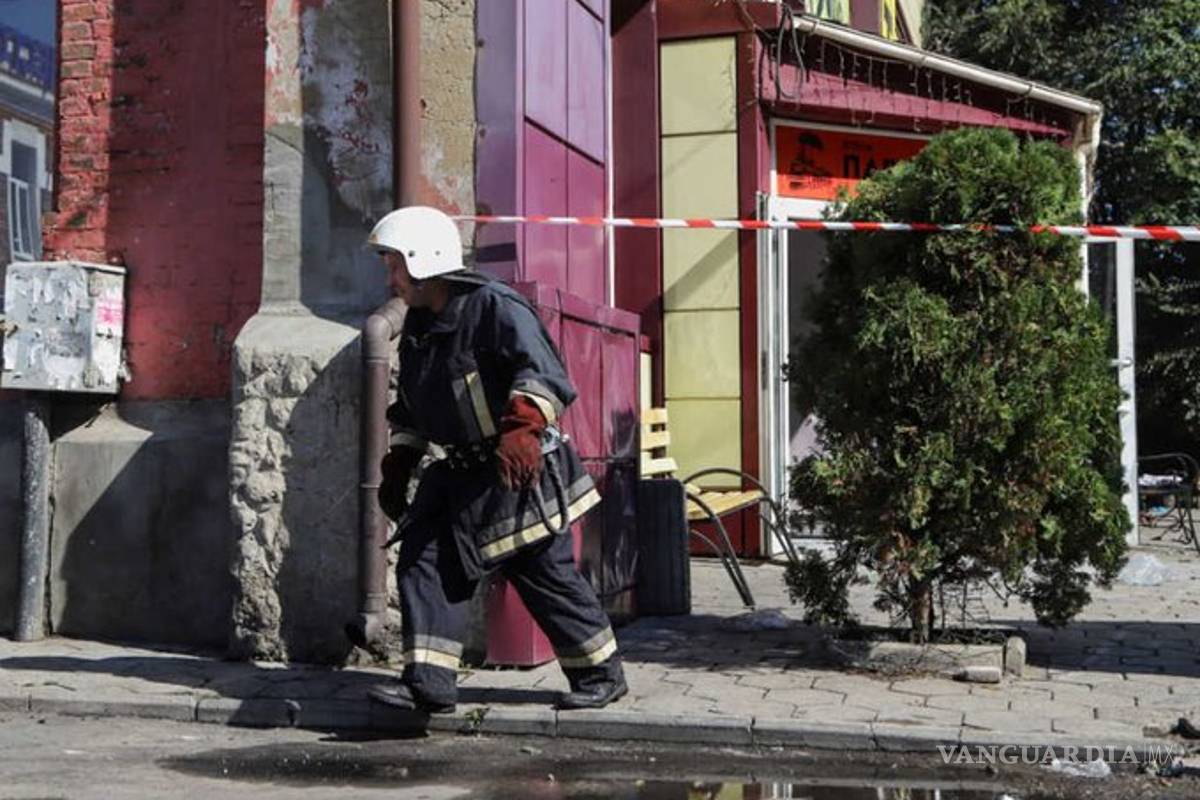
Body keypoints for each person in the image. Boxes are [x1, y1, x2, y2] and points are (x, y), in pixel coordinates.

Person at [363, 205, 627, 713]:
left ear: (423, 260)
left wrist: (522, 429)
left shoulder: (494, 306)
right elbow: (415, 405)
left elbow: (542, 373)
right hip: (462, 478)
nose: (390, 278)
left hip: (516, 473)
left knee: (543, 576)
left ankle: (601, 673)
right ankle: (429, 685)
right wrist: (401, 461)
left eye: (395, 265)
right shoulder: (420, 325)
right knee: (424, 561)